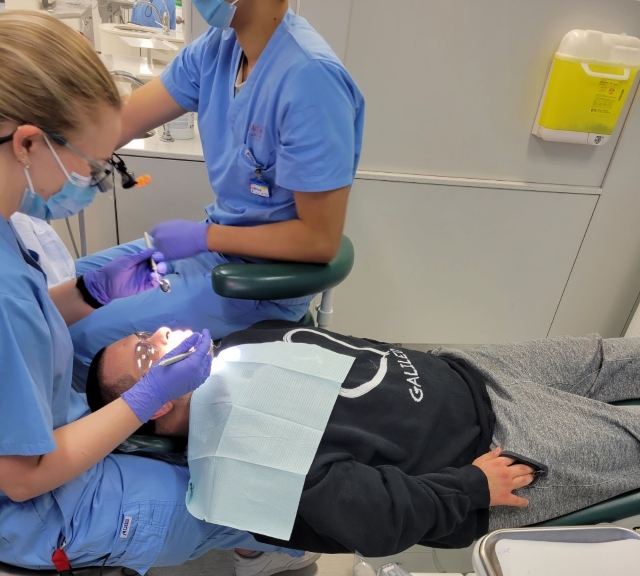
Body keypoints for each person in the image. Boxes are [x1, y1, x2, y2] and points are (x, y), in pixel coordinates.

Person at [0, 11, 318, 576]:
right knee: (249, 501)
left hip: (53, 433)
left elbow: (22, 328)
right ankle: (259, 546)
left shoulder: (8, 238)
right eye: (93, 168)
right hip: (37, 509)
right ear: (27, 142)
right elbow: (23, 478)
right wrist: (144, 399)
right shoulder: (6, 295)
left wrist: (92, 292)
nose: (95, 184)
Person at [88, 319, 640, 557]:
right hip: (494, 452)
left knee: (607, 356)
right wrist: (472, 487)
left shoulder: (236, 346)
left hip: (472, 372)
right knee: (630, 443)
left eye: (143, 333)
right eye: (146, 353)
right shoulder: (244, 458)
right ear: (154, 402)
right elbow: (377, 520)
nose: (160, 332)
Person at [69, 0, 365, 388]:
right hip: (211, 248)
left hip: (256, 281)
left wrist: (202, 237)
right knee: (59, 288)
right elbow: (122, 120)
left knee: (77, 338)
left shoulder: (311, 81)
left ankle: (86, 443)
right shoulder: (218, 48)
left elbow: (319, 240)